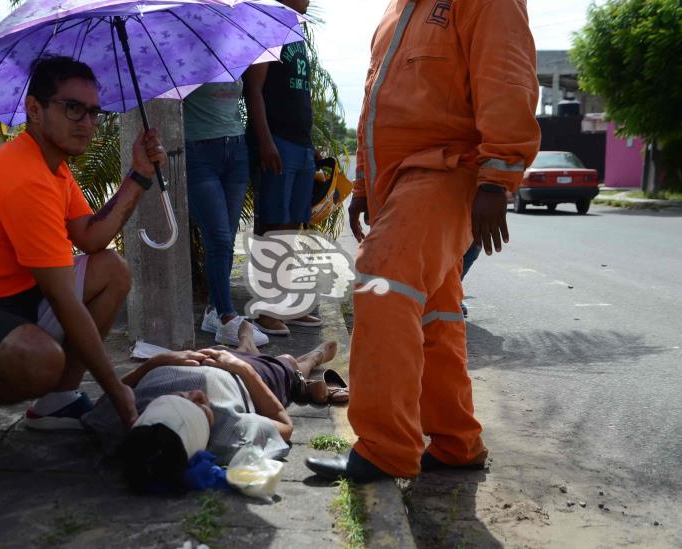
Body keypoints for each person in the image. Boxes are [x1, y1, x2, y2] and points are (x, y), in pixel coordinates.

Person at [306, 0, 541, 482]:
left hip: (449, 169)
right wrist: (366, 185)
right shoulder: (396, 11)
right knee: (436, 310)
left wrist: (498, 176)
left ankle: (385, 449)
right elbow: (375, 104)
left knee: (382, 280)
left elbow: (507, 76)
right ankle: (456, 441)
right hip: (400, 184)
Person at [0, 56, 167, 452]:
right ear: (34, 109)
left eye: (92, 112)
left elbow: (90, 237)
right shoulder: (24, 178)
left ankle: (56, 403)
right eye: (72, 108)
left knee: (112, 271)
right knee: (41, 361)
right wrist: (118, 394)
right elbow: (64, 300)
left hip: (13, 298)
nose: (85, 122)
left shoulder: (53, 167)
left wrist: (139, 176)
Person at [82, 321, 338, 492]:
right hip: (246, 379)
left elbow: (106, 398)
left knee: (224, 352)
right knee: (285, 364)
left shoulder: (129, 418)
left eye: (179, 396)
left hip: (204, 357)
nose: (194, 393)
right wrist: (245, 370)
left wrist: (155, 363)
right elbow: (285, 425)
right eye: (200, 405)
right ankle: (310, 360)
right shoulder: (231, 433)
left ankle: (245, 346)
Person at [243, 0, 321, 336]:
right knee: (272, 226)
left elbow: (298, 94)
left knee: (291, 226)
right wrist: (265, 141)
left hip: (300, 144)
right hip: (277, 142)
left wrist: (310, 143)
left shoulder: (296, 32)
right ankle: (265, 309)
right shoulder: (267, 28)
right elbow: (254, 90)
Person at [183, 82, 268, 347]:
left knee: (227, 239)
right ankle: (226, 318)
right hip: (198, 152)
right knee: (218, 237)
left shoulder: (232, 54)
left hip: (236, 150)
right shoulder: (182, 55)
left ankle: (213, 310)